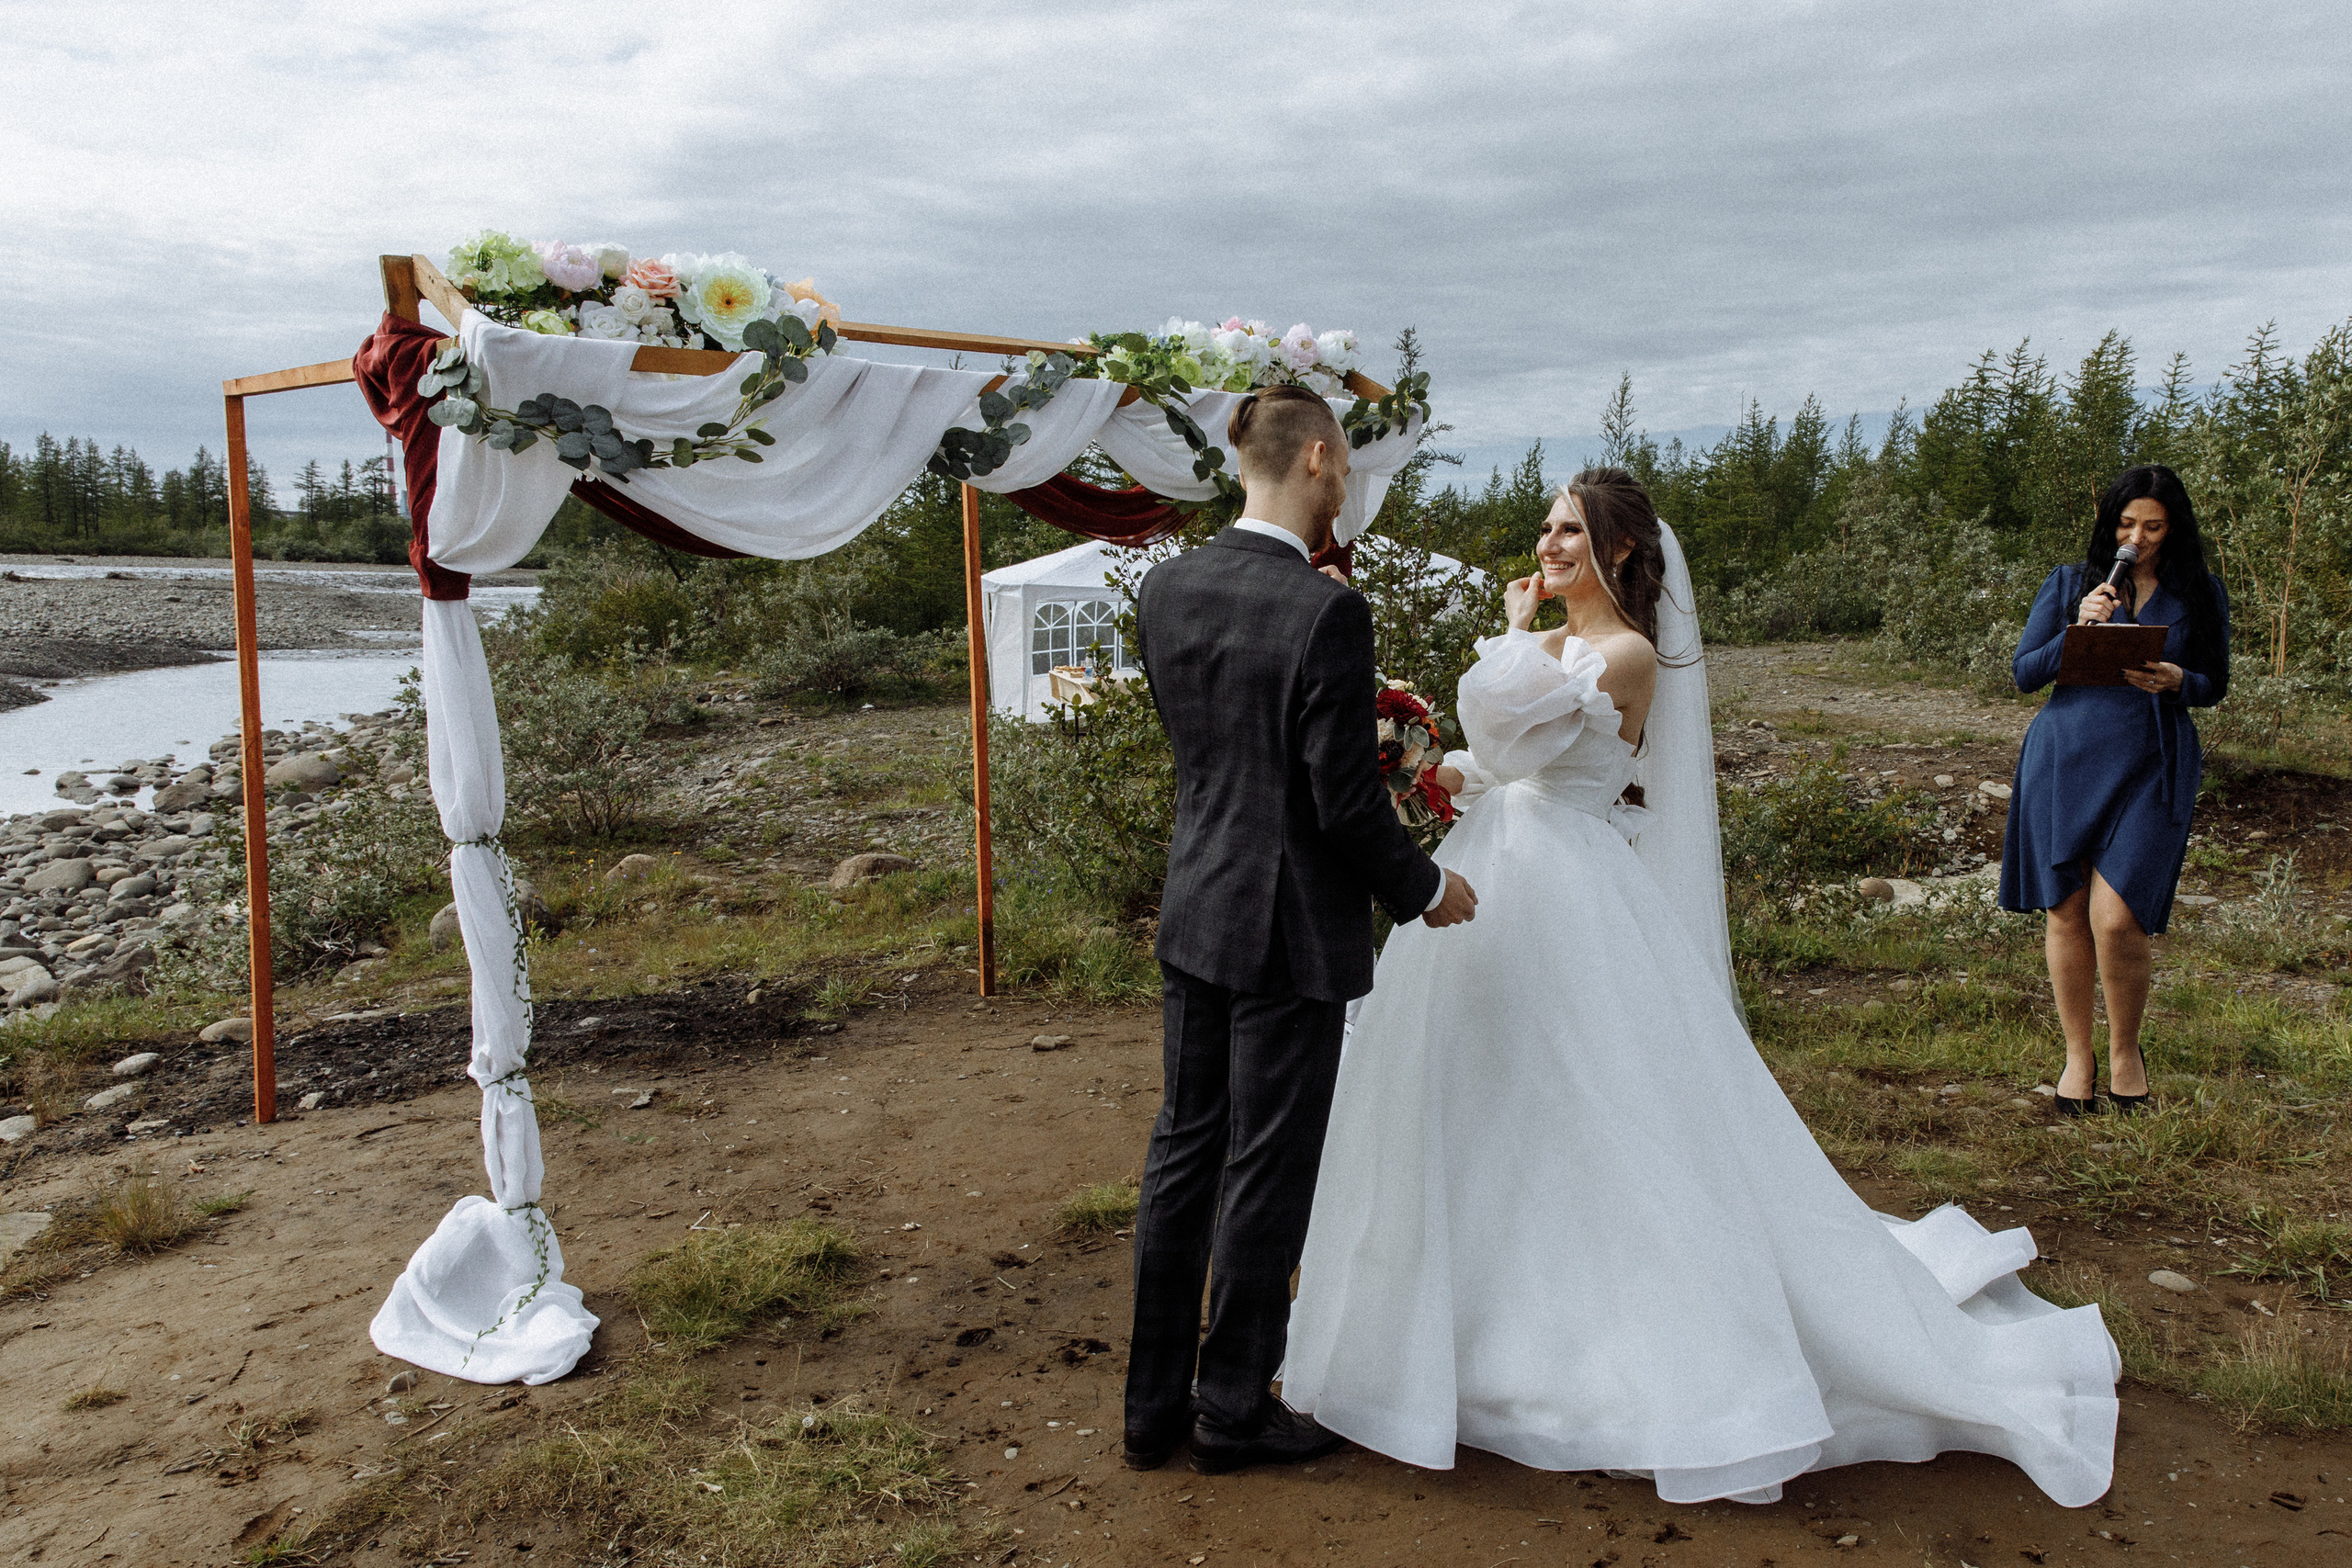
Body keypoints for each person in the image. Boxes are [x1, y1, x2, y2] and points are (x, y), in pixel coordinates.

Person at [1282, 468, 2120, 1508]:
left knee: (1591, 1099)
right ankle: (1443, 1309)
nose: (1546, 546)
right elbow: (1505, 763)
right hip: (1495, 863)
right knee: (1476, 1088)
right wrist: (1438, 771)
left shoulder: (1625, 652)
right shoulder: (1550, 650)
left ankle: (1595, 1335)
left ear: (1622, 552)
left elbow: (1508, 724)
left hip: (1564, 890)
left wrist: (1504, 635)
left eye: (1569, 532)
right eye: (1544, 528)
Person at [1124, 384, 1480, 1477]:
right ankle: (1232, 1408)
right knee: (1268, 1171)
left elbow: (1218, 760)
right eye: (1348, 469)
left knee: (1183, 1154)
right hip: (1286, 930)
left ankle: (1149, 1411)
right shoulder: (1327, 610)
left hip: (1197, 907)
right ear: (1320, 458)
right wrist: (1426, 889)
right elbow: (1337, 802)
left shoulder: (1166, 587)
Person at [1999, 466, 2231, 1114]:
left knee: (2117, 916)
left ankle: (2127, 1051)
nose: (2139, 538)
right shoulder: (2074, 583)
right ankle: (2079, 1057)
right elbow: (2024, 673)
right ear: (2112, 525)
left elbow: (2217, 681)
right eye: (2128, 524)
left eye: (2153, 526)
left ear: (2173, 527)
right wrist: (2079, 626)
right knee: (2068, 910)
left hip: (2152, 759)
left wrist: (2181, 677)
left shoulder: (2199, 592)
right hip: (2067, 753)